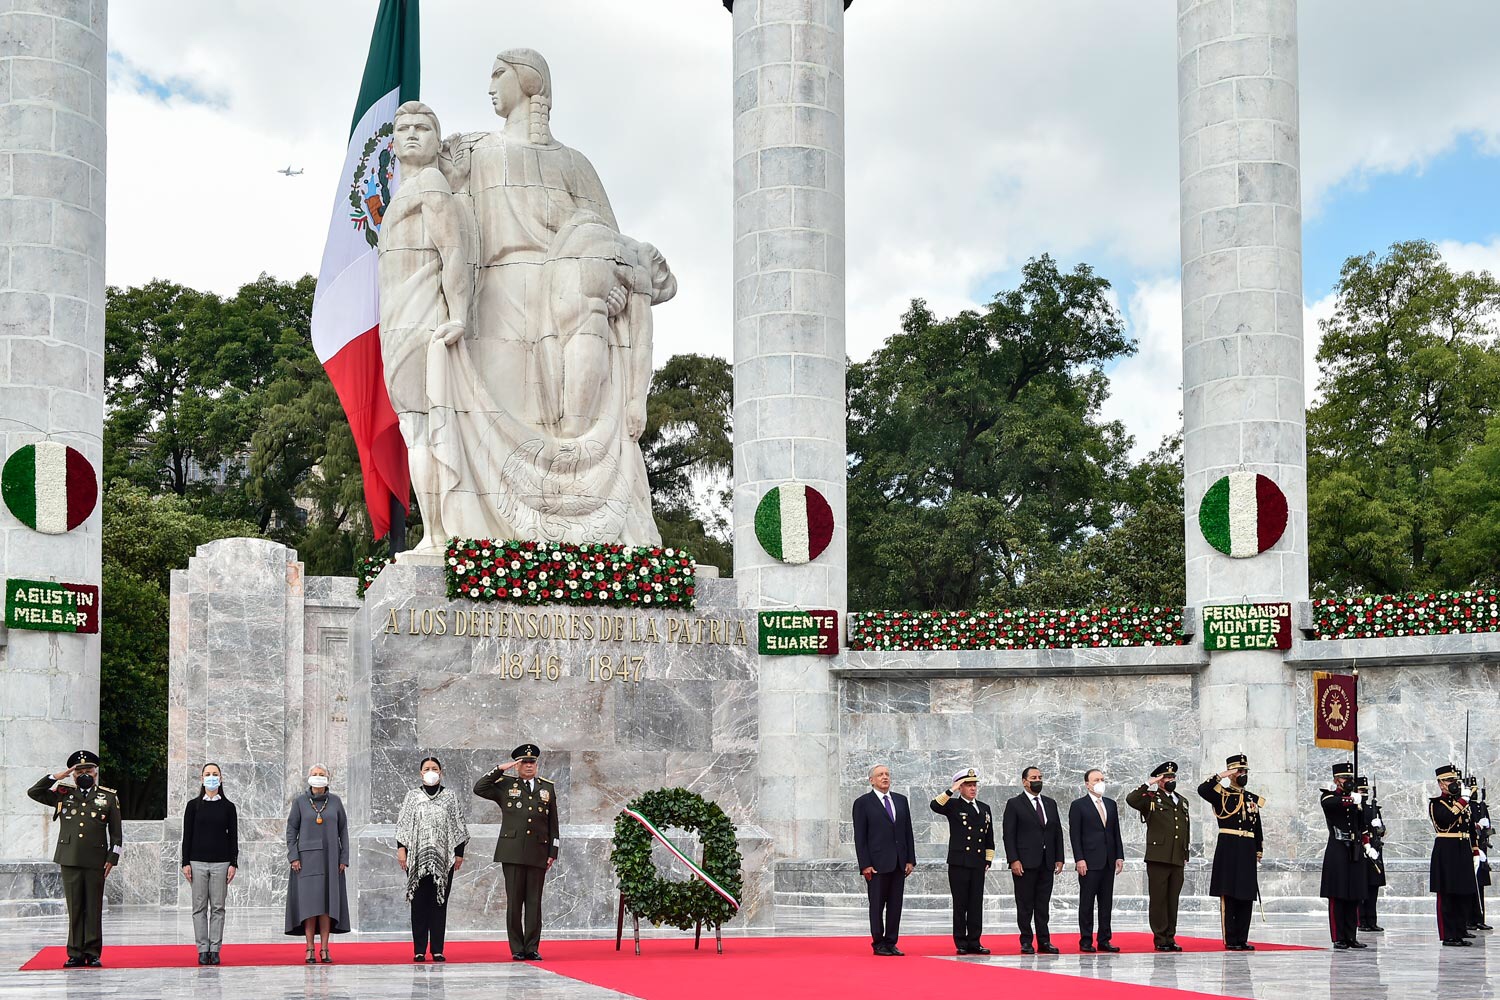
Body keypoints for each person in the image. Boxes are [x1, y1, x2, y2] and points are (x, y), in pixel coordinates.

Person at [27, 750, 121, 968]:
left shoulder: (108, 797)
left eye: (88, 770)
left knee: (94, 907)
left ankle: (93, 952)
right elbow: (34, 792)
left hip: (96, 859)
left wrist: (112, 858)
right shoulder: (63, 793)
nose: (84, 775)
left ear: (95, 773)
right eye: (79, 772)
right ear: (73, 775)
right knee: (75, 907)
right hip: (69, 858)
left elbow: (116, 833)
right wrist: (57, 776)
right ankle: (75, 953)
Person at [474, 743, 559, 961]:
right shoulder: (505, 785)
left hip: (538, 851)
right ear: (517, 765)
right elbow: (480, 788)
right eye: (524, 762)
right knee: (514, 903)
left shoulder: (546, 788)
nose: (528, 766)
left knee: (534, 902)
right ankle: (517, 948)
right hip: (511, 852)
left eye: (532, 762)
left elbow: (553, 823)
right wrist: (500, 769)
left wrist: (553, 851)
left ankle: (531, 947)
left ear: (537, 764)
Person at [396, 756, 470, 962]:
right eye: (427, 768)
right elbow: (403, 825)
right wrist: (401, 850)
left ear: (441, 772)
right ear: (421, 773)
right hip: (417, 858)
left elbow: (458, 826)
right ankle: (419, 949)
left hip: (443, 858)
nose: (431, 771)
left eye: (434, 768)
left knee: (439, 903)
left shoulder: (450, 797)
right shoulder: (412, 797)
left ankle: (437, 949)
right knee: (418, 903)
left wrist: (459, 853)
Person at [284, 764, 350, 962]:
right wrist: (293, 856)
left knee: (327, 906)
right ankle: (309, 948)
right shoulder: (300, 802)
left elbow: (343, 831)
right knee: (310, 906)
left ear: (328, 778)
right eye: (315, 774)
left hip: (331, 860)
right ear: (308, 777)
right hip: (306, 861)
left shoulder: (336, 802)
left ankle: (325, 948)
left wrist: (344, 858)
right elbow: (291, 831)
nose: (318, 777)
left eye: (322, 775)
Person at [1198, 753, 1263, 951]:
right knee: (1230, 893)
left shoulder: (1252, 798)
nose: (1243, 774)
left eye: (1245, 771)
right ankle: (1231, 938)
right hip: (1229, 848)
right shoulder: (1221, 794)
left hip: (1247, 849)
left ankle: (1242, 937)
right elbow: (1203, 789)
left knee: (1246, 894)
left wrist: (1258, 849)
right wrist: (1222, 775)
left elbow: (1257, 826)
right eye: (1239, 771)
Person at [1126, 761, 1190, 952]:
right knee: (1159, 900)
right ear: (1160, 780)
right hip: (1158, 857)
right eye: (1166, 777)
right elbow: (1132, 799)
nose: (1170, 780)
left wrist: (1185, 852)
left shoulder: (1182, 800)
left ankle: (1171, 937)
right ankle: (1160, 938)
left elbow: (1185, 828)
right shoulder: (1151, 798)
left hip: (1177, 857)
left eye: (1172, 777)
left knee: (1172, 899)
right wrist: (1149, 783)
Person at [852, 763, 916, 956]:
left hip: (898, 863)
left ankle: (891, 941)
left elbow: (907, 832)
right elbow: (860, 837)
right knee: (877, 905)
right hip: (877, 865)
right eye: (880, 775)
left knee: (896, 905)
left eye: (887, 774)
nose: (885, 777)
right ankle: (878, 942)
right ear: (872, 780)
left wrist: (910, 859)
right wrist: (865, 864)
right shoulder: (863, 803)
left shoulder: (901, 800)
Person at [930, 767, 994, 955]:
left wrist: (987, 859)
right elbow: (935, 805)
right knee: (961, 904)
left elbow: (989, 836)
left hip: (977, 862)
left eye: (974, 785)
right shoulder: (953, 805)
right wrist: (952, 789)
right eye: (968, 785)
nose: (973, 788)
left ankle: (975, 941)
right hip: (959, 862)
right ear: (961, 787)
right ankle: (961, 942)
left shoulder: (984, 808)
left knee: (976, 903)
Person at [1002, 765, 1065, 954]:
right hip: (1025, 862)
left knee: (1043, 904)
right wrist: (1014, 860)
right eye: (1034, 777)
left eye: (1040, 777)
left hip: (1047, 862)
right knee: (1025, 904)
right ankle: (1026, 941)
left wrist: (1059, 857)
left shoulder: (1050, 803)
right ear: (1024, 781)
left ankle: (1044, 941)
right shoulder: (1014, 804)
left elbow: (1057, 832)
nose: (1038, 780)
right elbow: (1008, 835)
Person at [180, 762, 239, 965]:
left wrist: (233, 863)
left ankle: (215, 949)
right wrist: (185, 862)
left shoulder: (228, 807)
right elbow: (187, 836)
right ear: (202, 778)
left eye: (215, 774)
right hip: (197, 862)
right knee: (199, 907)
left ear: (221, 779)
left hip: (221, 863)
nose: (211, 777)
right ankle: (202, 949)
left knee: (218, 907)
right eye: (208, 774)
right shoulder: (193, 806)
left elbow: (233, 838)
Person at [1069, 768, 1125, 953]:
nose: (1100, 782)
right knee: (1087, 902)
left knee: (1106, 902)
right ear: (1087, 784)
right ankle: (1086, 940)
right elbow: (1075, 835)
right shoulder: (1079, 805)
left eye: (1102, 779)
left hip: (1108, 860)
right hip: (1089, 861)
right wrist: (1079, 859)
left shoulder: (1110, 804)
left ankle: (1104, 939)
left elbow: (1115, 831)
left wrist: (1119, 856)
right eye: (1096, 780)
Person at [1318, 762, 1370, 950]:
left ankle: (1351, 936)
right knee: (1338, 895)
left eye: (1350, 778)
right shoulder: (1329, 796)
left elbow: (1361, 824)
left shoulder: (1357, 800)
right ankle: (1338, 937)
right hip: (1338, 848)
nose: (1348, 781)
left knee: (1354, 894)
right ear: (1336, 780)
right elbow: (1330, 804)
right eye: (1344, 778)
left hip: (1354, 849)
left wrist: (1366, 843)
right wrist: (1350, 800)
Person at [1430, 763, 1479, 946]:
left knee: (1463, 893)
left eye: (1455, 780)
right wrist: (1463, 801)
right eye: (1450, 780)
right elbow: (1446, 820)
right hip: (1446, 850)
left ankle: (1460, 930)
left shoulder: (1462, 803)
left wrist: (1475, 850)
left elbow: (1470, 828)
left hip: (1463, 849)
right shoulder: (1437, 803)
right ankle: (1449, 935)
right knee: (1448, 895)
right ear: (1441, 784)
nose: (1454, 783)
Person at [1356, 775, 1386, 933]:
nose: (1365, 794)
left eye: (1366, 791)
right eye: (1362, 791)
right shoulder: (1356, 809)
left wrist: (1379, 825)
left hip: (1375, 850)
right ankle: (1362, 921)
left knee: (1373, 888)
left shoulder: (1374, 810)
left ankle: (1372, 920)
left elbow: (1382, 831)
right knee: (1363, 889)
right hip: (1364, 851)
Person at [1469, 774, 1493, 931]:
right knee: (1471, 887)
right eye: (1473, 790)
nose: (1475, 793)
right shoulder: (1465, 808)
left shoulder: (1480, 807)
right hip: (1472, 852)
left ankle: (1479, 918)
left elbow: (1488, 831)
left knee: (1480, 887)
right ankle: (1469, 920)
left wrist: (1486, 827)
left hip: (1482, 851)